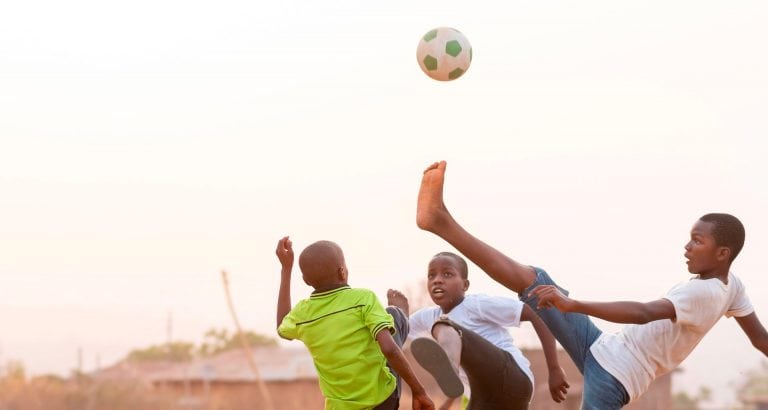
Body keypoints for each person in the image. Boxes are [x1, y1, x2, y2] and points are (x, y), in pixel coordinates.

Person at [414, 160, 768, 410]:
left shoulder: (703, 293)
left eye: (697, 241)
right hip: (602, 346)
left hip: (615, 377)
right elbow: (760, 339)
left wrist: (574, 305)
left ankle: (441, 223)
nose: (687, 246)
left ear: (722, 252)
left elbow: (643, 313)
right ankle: (440, 221)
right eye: (690, 238)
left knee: (544, 292)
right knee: (535, 280)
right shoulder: (731, 285)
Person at [389, 249, 569, 410]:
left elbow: (537, 314)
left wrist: (554, 369)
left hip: (512, 379)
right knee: (441, 326)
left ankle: (450, 366)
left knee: (443, 326)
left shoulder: (477, 305)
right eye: (431, 276)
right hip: (485, 399)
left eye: (447, 274)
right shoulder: (426, 316)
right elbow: (395, 336)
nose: (437, 280)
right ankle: (450, 369)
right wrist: (399, 313)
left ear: (465, 285)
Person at [275, 236, 435, 410]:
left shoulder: (302, 314)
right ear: (342, 271)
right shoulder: (363, 299)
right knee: (391, 315)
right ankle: (401, 316)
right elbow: (389, 349)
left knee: (381, 328)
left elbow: (282, 325)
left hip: (339, 407)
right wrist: (419, 391)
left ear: (306, 281)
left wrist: (286, 269)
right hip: (382, 400)